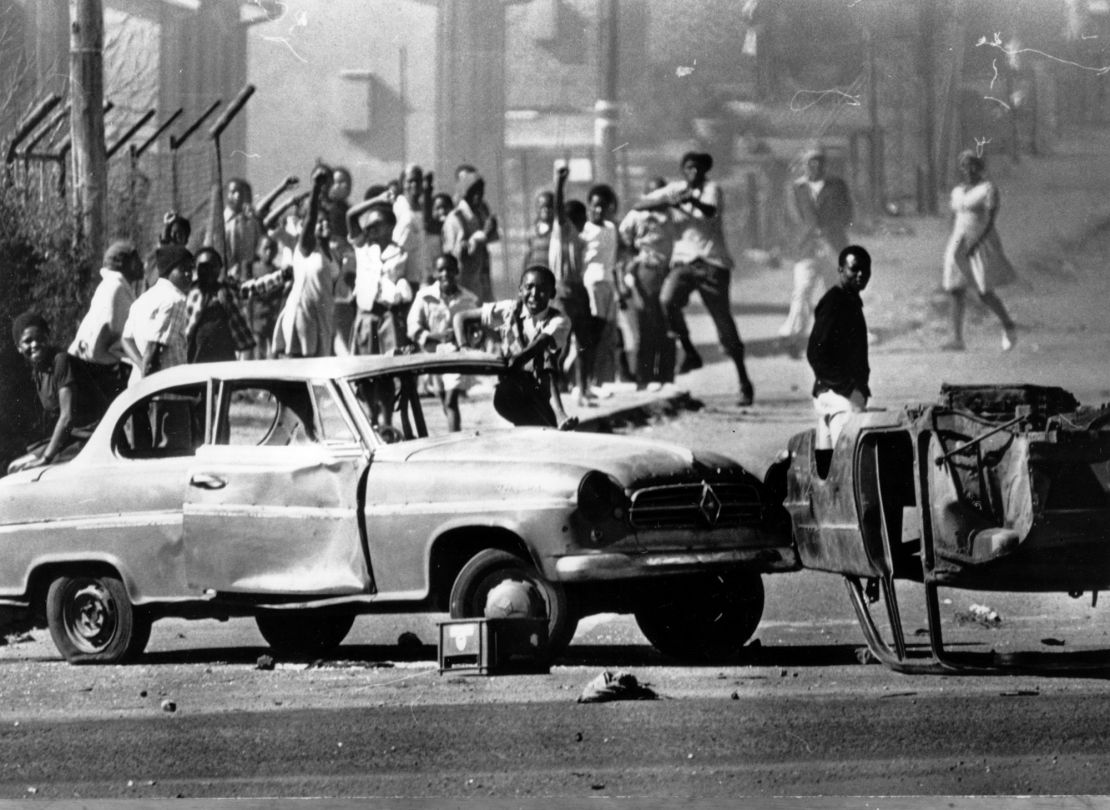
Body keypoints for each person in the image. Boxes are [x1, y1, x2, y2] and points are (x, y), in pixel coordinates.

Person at [634, 151, 755, 405]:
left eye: (698, 168)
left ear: (705, 171)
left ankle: (744, 381)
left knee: (723, 321)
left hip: (712, 262)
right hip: (685, 261)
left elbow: (709, 211)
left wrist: (688, 201)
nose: (694, 173)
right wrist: (668, 201)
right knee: (667, 301)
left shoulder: (712, 189)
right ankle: (690, 352)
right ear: (682, 171)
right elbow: (639, 205)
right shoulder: (675, 189)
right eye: (689, 168)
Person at [453, 265, 576, 430]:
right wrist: (464, 347)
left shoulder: (560, 320)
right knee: (538, 430)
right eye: (529, 287)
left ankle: (558, 414)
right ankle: (559, 415)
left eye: (541, 289)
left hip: (540, 391)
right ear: (520, 290)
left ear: (551, 294)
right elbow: (460, 317)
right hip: (510, 390)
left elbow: (541, 343)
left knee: (544, 431)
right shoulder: (509, 309)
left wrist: (517, 359)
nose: (533, 294)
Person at [8, 312, 108, 473]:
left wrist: (45, 458)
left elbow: (67, 417)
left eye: (40, 338)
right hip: (73, 436)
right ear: (19, 348)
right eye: (27, 341)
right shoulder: (39, 371)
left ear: (48, 337)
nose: (35, 344)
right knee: (15, 467)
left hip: (92, 436)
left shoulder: (61, 361)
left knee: (28, 472)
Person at [779, 147, 854, 357]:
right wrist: (808, 234)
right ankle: (793, 336)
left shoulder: (837, 186)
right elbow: (792, 218)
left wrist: (830, 231)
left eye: (819, 161)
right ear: (804, 164)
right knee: (802, 290)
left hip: (833, 245)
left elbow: (847, 214)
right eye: (810, 162)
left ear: (825, 163)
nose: (815, 166)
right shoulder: (796, 188)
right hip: (806, 247)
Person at [941, 150, 1018, 351]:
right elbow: (954, 217)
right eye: (965, 166)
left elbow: (991, 220)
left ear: (981, 168)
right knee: (955, 289)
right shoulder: (958, 191)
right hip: (958, 241)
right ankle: (956, 338)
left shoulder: (988, 189)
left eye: (973, 165)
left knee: (984, 291)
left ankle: (1008, 324)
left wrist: (976, 243)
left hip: (980, 240)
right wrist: (953, 243)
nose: (969, 170)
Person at [807, 245, 872, 477]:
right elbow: (815, 354)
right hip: (839, 398)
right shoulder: (835, 301)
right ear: (841, 270)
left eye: (865, 270)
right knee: (850, 472)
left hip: (831, 395)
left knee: (827, 471)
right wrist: (849, 390)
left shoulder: (848, 300)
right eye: (854, 269)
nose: (860, 275)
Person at [271, 166, 339, 358]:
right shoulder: (306, 248)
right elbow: (310, 219)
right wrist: (316, 188)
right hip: (303, 312)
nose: (323, 224)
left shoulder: (332, 253)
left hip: (323, 314)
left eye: (327, 222)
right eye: (320, 222)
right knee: (299, 363)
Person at [407, 254, 480, 431]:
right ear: (435, 273)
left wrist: (472, 339)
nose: (446, 274)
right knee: (443, 399)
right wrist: (434, 336)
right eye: (441, 270)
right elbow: (413, 326)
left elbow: (477, 328)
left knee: (451, 399)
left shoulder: (469, 299)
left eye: (450, 270)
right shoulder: (425, 297)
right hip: (433, 356)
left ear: (457, 272)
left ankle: (456, 440)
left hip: (456, 355)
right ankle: (454, 431)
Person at [69, 239, 144, 400]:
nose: (142, 263)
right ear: (123, 262)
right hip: (93, 370)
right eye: (136, 259)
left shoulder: (115, 286)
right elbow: (106, 340)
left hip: (94, 366)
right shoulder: (115, 288)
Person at [619, 177, 676, 387]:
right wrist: (635, 256)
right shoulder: (637, 215)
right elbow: (623, 236)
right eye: (653, 193)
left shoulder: (672, 215)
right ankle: (645, 378)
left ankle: (665, 377)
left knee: (667, 325)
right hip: (647, 270)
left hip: (668, 271)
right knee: (647, 325)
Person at [548, 164, 594, 406]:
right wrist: (559, 182)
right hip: (562, 292)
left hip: (578, 291)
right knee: (560, 346)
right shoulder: (563, 230)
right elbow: (557, 209)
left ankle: (581, 388)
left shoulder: (578, 238)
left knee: (583, 342)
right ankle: (555, 390)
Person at [121, 243, 194, 386]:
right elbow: (154, 345)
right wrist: (148, 373)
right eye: (183, 269)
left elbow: (126, 340)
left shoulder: (142, 300)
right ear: (167, 271)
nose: (189, 274)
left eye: (191, 269)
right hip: (166, 389)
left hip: (138, 387)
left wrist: (141, 366)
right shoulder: (176, 300)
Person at [346, 194, 411, 355]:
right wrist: (377, 200)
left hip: (389, 317)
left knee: (391, 365)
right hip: (366, 316)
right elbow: (351, 215)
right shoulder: (363, 248)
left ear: (390, 226)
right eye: (368, 225)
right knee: (364, 366)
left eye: (376, 224)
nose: (370, 229)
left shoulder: (400, 253)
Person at [580, 183, 623, 387]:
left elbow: (615, 260)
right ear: (588, 206)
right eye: (595, 205)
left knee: (608, 333)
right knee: (593, 333)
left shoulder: (612, 228)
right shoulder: (584, 230)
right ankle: (587, 381)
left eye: (603, 206)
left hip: (609, 285)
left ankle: (603, 380)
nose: (598, 210)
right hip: (592, 284)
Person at [184, 247, 256, 363]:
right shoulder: (190, 292)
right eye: (204, 267)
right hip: (198, 353)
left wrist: (281, 276)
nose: (209, 271)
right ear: (195, 269)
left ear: (220, 268)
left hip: (224, 350)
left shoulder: (226, 288)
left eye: (213, 267)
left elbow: (253, 288)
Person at [443, 170, 498, 302]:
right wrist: (477, 239)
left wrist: (490, 230)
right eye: (474, 192)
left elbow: (492, 238)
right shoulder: (455, 218)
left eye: (480, 192)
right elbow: (451, 253)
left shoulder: (480, 214)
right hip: (462, 280)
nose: (478, 196)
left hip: (480, 278)